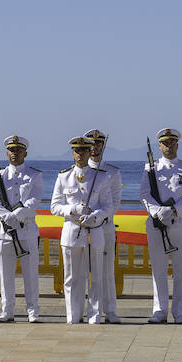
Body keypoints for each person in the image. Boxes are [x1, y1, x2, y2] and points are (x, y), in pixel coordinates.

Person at [51, 135, 113, 324]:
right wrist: (73, 210)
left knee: (96, 276)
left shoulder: (101, 177)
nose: (80, 154)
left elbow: (108, 206)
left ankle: (95, 316)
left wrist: (95, 216)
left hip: (94, 230)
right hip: (72, 230)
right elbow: (54, 207)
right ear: (72, 153)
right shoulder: (64, 177)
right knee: (71, 278)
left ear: (89, 151)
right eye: (77, 151)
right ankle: (73, 315)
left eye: (84, 150)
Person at [139, 128, 182, 323]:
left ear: (177, 145)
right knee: (158, 269)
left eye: (172, 143)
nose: (169, 146)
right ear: (159, 146)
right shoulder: (151, 169)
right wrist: (157, 212)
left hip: (179, 224)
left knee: (181, 270)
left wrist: (173, 210)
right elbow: (144, 194)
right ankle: (159, 311)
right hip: (156, 224)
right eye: (165, 143)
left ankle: (179, 313)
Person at [0, 134, 42, 323]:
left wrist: (16, 214)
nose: (14, 154)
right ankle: (7, 310)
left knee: (30, 274)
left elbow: (34, 200)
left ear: (25, 153)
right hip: (5, 232)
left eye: (18, 150)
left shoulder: (35, 175)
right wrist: (7, 217)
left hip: (26, 230)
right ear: (6, 153)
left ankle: (33, 311)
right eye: (11, 150)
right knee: (6, 275)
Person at [85, 128, 123, 323]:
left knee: (107, 270)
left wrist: (98, 218)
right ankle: (86, 311)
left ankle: (110, 310)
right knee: (83, 270)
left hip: (104, 226)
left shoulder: (113, 172)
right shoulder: (79, 171)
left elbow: (115, 202)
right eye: (91, 143)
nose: (95, 146)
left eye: (98, 143)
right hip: (82, 228)